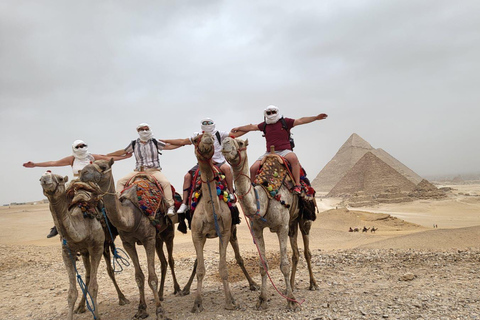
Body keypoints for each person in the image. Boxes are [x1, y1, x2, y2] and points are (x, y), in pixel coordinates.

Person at [23, 139, 132, 238]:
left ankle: (111, 226)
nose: (81, 148)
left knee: (104, 201)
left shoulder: (92, 157)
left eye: (82, 145)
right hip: (76, 183)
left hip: (91, 184)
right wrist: (35, 164)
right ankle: (57, 227)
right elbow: (54, 163)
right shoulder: (72, 159)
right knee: (61, 202)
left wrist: (124, 157)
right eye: (78, 147)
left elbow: (107, 158)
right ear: (74, 148)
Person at [231, 105, 328, 194]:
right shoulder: (265, 125)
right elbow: (252, 127)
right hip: (269, 152)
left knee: (293, 159)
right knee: (253, 168)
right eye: (269, 113)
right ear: (266, 114)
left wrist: (315, 118)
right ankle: (252, 189)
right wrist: (238, 128)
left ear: (277, 112)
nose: (271, 114)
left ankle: (297, 185)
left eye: (273, 112)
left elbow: (301, 120)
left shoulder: (285, 122)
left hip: (284, 151)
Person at [161, 118, 238, 214]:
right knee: (187, 176)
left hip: (218, 162)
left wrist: (249, 128)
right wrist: (165, 140)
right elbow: (182, 141)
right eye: (205, 123)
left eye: (209, 123)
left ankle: (230, 193)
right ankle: (184, 203)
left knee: (227, 169)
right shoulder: (197, 136)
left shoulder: (220, 134)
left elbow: (234, 135)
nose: (207, 124)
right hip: (202, 164)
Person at [107, 123, 181, 216]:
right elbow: (124, 151)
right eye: (142, 129)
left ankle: (170, 206)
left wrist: (182, 144)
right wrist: (108, 155)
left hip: (154, 171)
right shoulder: (134, 144)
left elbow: (169, 147)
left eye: (146, 129)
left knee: (165, 183)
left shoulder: (154, 142)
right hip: (138, 171)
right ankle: (118, 203)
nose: (144, 131)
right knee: (120, 181)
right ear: (138, 131)